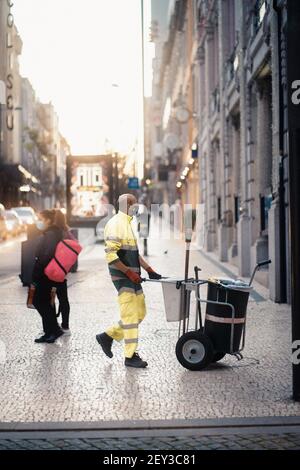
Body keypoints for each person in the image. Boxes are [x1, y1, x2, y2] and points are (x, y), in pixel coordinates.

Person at [96, 194, 162, 368]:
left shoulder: (127, 223)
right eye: (135, 203)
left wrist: (149, 269)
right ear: (129, 204)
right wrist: (129, 273)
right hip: (123, 278)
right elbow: (111, 255)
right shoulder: (116, 224)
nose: (138, 206)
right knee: (131, 315)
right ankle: (130, 356)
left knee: (140, 312)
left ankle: (107, 336)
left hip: (133, 276)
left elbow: (133, 253)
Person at [32, 209, 68, 343]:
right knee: (46, 302)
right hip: (48, 273)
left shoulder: (52, 234)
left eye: (40, 219)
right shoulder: (52, 232)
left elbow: (47, 255)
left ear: (48, 220)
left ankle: (54, 330)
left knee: (39, 301)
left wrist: (39, 270)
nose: (39, 222)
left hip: (45, 274)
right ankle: (49, 332)